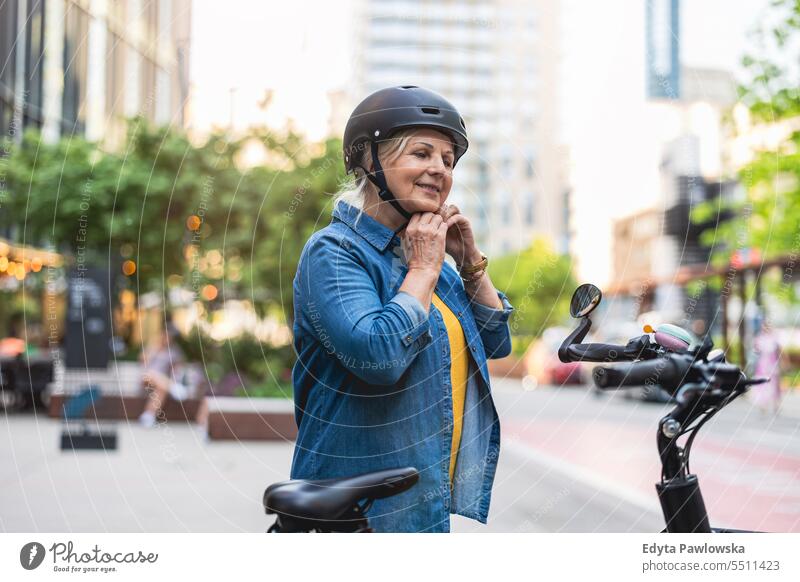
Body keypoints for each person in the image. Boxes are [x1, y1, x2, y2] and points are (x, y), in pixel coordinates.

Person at [290, 86, 514, 532]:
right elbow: (379, 357)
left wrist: (469, 263)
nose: (439, 169)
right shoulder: (334, 253)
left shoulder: (431, 262)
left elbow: (496, 341)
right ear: (371, 161)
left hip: (419, 505)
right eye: (422, 153)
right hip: (356, 514)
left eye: (448, 161)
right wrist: (425, 268)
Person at [137, 320, 192, 428]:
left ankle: (148, 416)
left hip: (161, 382)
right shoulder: (152, 346)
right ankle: (173, 388)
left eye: (170, 337)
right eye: (166, 336)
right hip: (146, 378)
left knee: (161, 390)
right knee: (152, 373)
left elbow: (177, 369)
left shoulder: (174, 351)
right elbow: (142, 362)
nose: (168, 339)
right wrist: (154, 349)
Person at [751, 317, 783, 416]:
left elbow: (779, 352)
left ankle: (775, 404)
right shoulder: (759, 338)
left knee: (774, 384)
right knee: (762, 384)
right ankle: (763, 405)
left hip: (772, 364)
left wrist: (781, 363)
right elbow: (756, 351)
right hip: (762, 364)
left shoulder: (775, 338)